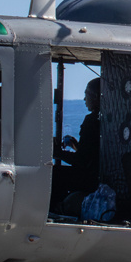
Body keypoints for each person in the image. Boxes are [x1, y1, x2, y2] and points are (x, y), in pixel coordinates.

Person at [57, 79, 102, 216]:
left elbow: (81, 161)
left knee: (55, 174)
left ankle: (57, 211)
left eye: (86, 94)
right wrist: (76, 145)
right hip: (97, 175)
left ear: (95, 97)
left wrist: (57, 153)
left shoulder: (91, 121)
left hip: (89, 179)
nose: (84, 99)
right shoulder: (103, 119)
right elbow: (90, 153)